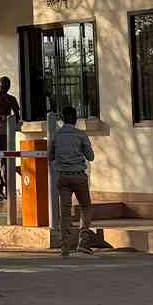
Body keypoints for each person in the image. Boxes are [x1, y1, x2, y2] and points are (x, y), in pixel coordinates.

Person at [48, 104, 96, 256]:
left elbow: (50, 156)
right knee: (85, 207)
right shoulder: (81, 135)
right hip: (79, 176)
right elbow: (91, 157)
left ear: (62, 119)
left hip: (63, 177)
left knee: (65, 211)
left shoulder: (56, 135)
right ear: (75, 119)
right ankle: (84, 242)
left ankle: (65, 246)